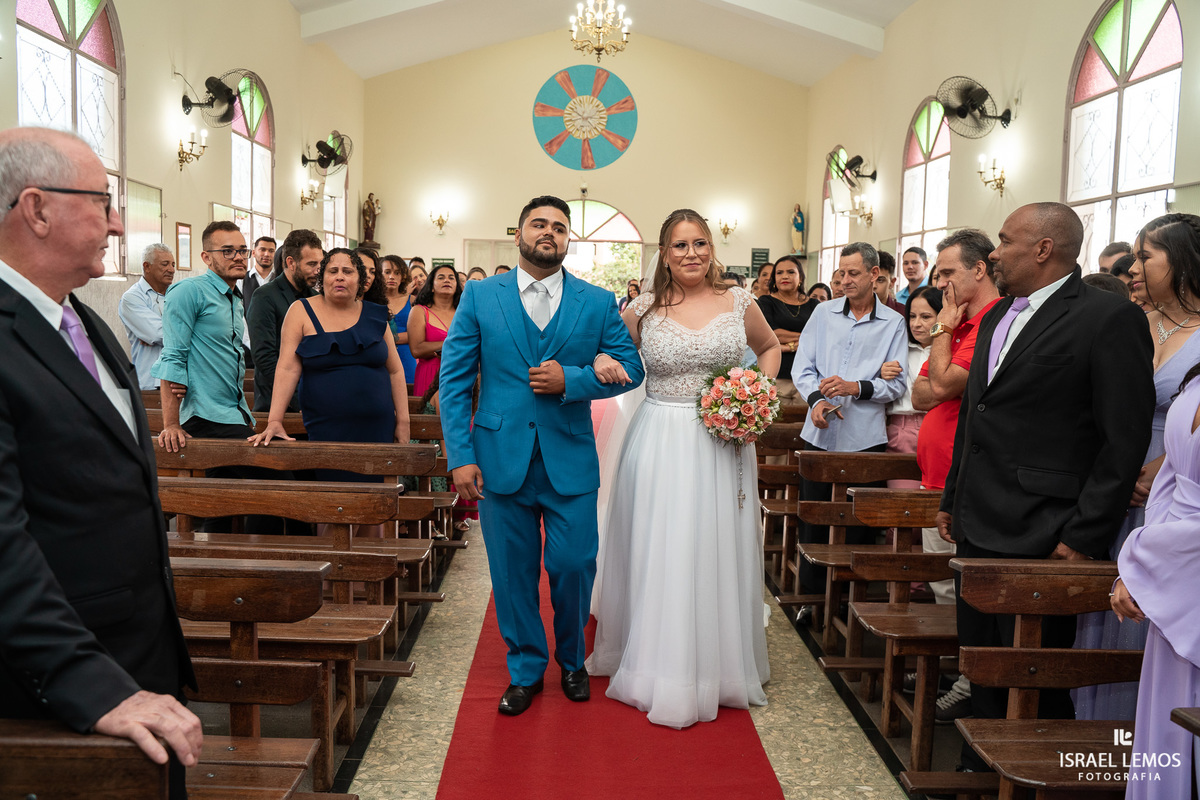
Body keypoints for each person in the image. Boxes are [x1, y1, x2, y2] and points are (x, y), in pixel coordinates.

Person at [0, 126, 199, 799]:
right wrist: (90, 685)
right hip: (55, 684)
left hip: (136, 652)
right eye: (102, 201)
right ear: (37, 209)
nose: (117, 224)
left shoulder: (77, 318)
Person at [937, 203, 1155, 773]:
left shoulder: (1106, 318)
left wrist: (1084, 534)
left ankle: (1032, 775)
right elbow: (975, 418)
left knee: (1035, 668)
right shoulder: (994, 316)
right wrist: (951, 499)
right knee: (981, 656)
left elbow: (1122, 439)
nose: (993, 253)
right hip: (978, 516)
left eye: (1005, 241)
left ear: (1043, 249)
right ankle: (980, 762)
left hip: (1046, 524)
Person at [440, 195, 644, 716]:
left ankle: (573, 660)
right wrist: (459, 456)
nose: (548, 232)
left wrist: (572, 380)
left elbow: (631, 367)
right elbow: (456, 380)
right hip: (499, 455)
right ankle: (526, 668)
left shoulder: (596, 302)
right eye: (538, 224)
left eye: (558, 226)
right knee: (512, 572)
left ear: (568, 238)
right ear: (519, 234)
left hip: (569, 456)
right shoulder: (481, 296)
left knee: (575, 564)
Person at [587, 208, 781, 728]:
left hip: (724, 439)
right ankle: (655, 662)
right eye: (680, 245)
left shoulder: (739, 301)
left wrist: (755, 392)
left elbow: (768, 347)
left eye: (699, 243)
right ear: (664, 254)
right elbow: (619, 362)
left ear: (712, 249)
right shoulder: (642, 308)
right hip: (661, 436)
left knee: (714, 541)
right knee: (664, 542)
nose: (691, 253)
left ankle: (719, 665)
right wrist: (605, 365)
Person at [1075, 213, 1200, 723]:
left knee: (1148, 616)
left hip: (1171, 488)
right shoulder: (1134, 322)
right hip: (1115, 485)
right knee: (1108, 608)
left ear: (1184, 262)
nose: (1134, 266)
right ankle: (1097, 738)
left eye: (1147, 256)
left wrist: (1158, 469)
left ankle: (1141, 737)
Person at [910, 228, 1002, 720]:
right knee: (947, 586)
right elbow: (920, 395)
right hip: (938, 472)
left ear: (979, 268)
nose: (940, 282)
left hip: (963, 475)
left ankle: (967, 676)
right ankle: (952, 667)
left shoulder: (985, 321)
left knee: (962, 587)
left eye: (947, 272)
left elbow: (940, 382)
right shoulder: (959, 322)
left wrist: (943, 330)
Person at [792, 242, 907, 608]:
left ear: (875, 275)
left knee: (856, 523)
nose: (844, 281)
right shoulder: (823, 313)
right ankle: (810, 601)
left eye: (853, 273)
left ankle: (846, 602)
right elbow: (803, 367)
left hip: (864, 437)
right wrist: (817, 399)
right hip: (819, 432)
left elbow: (897, 384)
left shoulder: (894, 323)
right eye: (841, 273)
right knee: (813, 517)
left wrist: (856, 387)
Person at [1114, 355, 1200, 799]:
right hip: (1175, 575)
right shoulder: (1196, 378)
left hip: (1185, 566)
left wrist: (1144, 557)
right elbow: (1168, 484)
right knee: (1168, 723)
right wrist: (1138, 571)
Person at [249, 248, 410, 481]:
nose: (340, 277)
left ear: (361, 279)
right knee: (333, 498)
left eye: (348, 271)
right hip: (326, 425)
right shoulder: (301, 311)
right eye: (333, 271)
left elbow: (395, 370)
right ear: (322, 278)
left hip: (377, 424)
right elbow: (287, 369)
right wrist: (275, 420)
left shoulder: (376, 315)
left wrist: (403, 421)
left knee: (376, 501)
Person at [248, 229, 321, 412]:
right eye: (311, 264)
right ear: (291, 262)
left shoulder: (315, 297)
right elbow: (264, 357)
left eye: (320, 264)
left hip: (313, 398)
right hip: (277, 403)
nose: (318, 270)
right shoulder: (265, 296)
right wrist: (297, 397)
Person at [883, 286, 941, 479]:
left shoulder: (951, 351)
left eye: (926, 317)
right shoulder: (898, 350)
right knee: (902, 501)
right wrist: (880, 372)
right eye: (912, 316)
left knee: (935, 502)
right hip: (902, 431)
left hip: (941, 430)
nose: (916, 324)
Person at [756, 254, 817, 404]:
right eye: (779, 273)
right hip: (778, 373)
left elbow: (820, 336)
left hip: (808, 375)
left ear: (800, 277)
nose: (785, 276)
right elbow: (771, 334)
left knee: (804, 424)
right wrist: (805, 338)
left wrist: (791, 342)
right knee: (777, 425)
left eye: (791, 272)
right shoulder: (766, 302)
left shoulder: (814, 305)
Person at [118, 243, 176, 390]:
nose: (171, 269)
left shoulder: (178, 295)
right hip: (151, 382)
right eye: (165, 264)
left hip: (178, 379)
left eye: (173, 264)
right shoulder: (132, 298)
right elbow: (157, 333)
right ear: (147, 266)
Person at [408, 262, 460, 396]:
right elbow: (416, 349)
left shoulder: (463, 312)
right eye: (441, 277)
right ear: (431, 286)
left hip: (458, 373)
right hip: (430, 374)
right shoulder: (419, 311)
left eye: (451, 277)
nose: (447, 280)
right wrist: (448, 345)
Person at [381, 254, 418, 383]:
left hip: (407, 357)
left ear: (403, 277)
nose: (392, 277)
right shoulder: (372, 301)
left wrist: (387, 338)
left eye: (397, 273)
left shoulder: (412, 301)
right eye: (387, 272)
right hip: (381, 358)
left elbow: (418, 335)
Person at [874, 250, 906, 315]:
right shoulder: (852, 312)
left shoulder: (903, 314)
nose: (873, 286)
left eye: (880, 280)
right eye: (870, 280)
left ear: (891, 282)